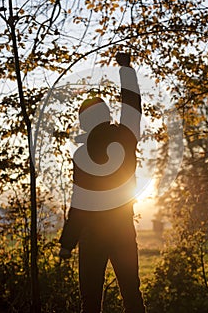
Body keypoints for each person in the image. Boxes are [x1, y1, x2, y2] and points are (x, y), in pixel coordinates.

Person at [59, 52, 145, 313]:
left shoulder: (81, 155)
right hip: (122, 229)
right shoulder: (125, 137)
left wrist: (67, 242)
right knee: (132, 295)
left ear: (83, 122)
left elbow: (81, 202)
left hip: (91, 236)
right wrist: (126, 69)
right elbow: (133, 106)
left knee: (90, 303)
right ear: (106, 115)